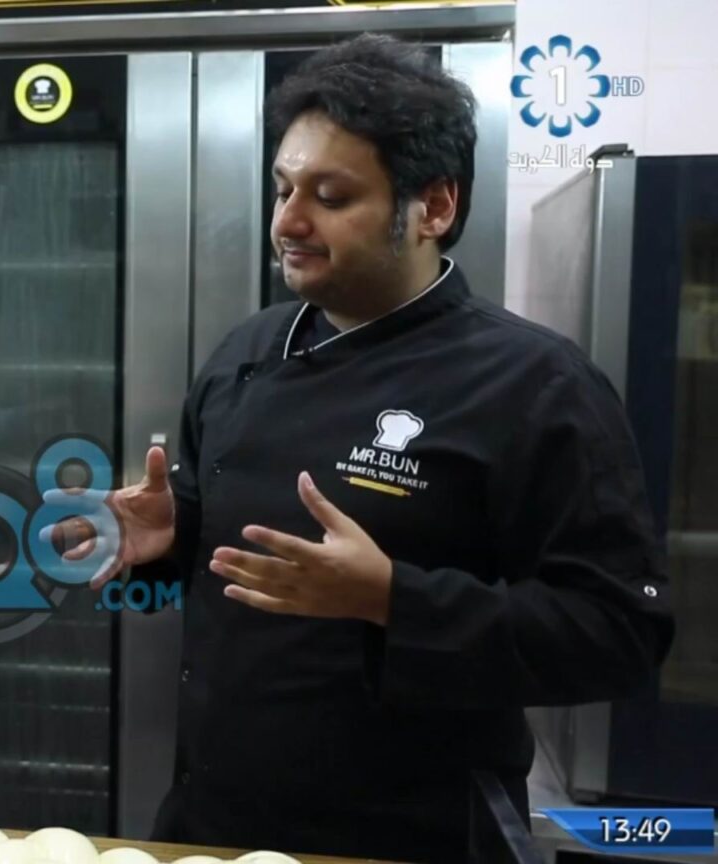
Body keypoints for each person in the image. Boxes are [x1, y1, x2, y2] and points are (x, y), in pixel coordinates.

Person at [54, 34, 674, 864]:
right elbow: (236, 569)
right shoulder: (247, 351)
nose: (288, 222)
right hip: (216, 825)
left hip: (410, 839)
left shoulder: (535, 385)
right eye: (282, 189)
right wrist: (172, 541)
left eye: (331, 196)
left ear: (434, 207)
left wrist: (394, 599)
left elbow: (621, 635)